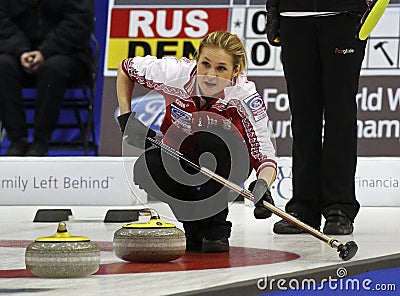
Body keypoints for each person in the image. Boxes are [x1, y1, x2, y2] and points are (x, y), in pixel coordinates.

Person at [116, 31, 277, 252]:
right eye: (205, 64)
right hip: (180, 156)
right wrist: (126, 117)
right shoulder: (174, 73)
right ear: (196, 60)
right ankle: (193, 226)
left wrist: (263, 185)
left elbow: (265, 155)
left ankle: (216, 229)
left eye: (221, 68)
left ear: (235, 71)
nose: (210, 75)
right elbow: (126, 68)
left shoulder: (244, 95)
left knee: (212, 140)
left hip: (228, 163)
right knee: (147, 167)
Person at [265, 0, 367, 235]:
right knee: (303, 117)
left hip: (344, 14)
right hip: (294, 16)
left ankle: (339, 207)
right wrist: (273, 8)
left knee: (340, 114)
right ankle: (303, 207)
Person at [0, 0, 94, 156]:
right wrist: (21, 50)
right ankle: (17, 140)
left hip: (68, 54)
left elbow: (79, 22)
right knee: (2, 65)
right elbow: (2, 22)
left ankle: (40, 141)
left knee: (53, 68)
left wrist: (45, 51)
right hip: (19, 54)